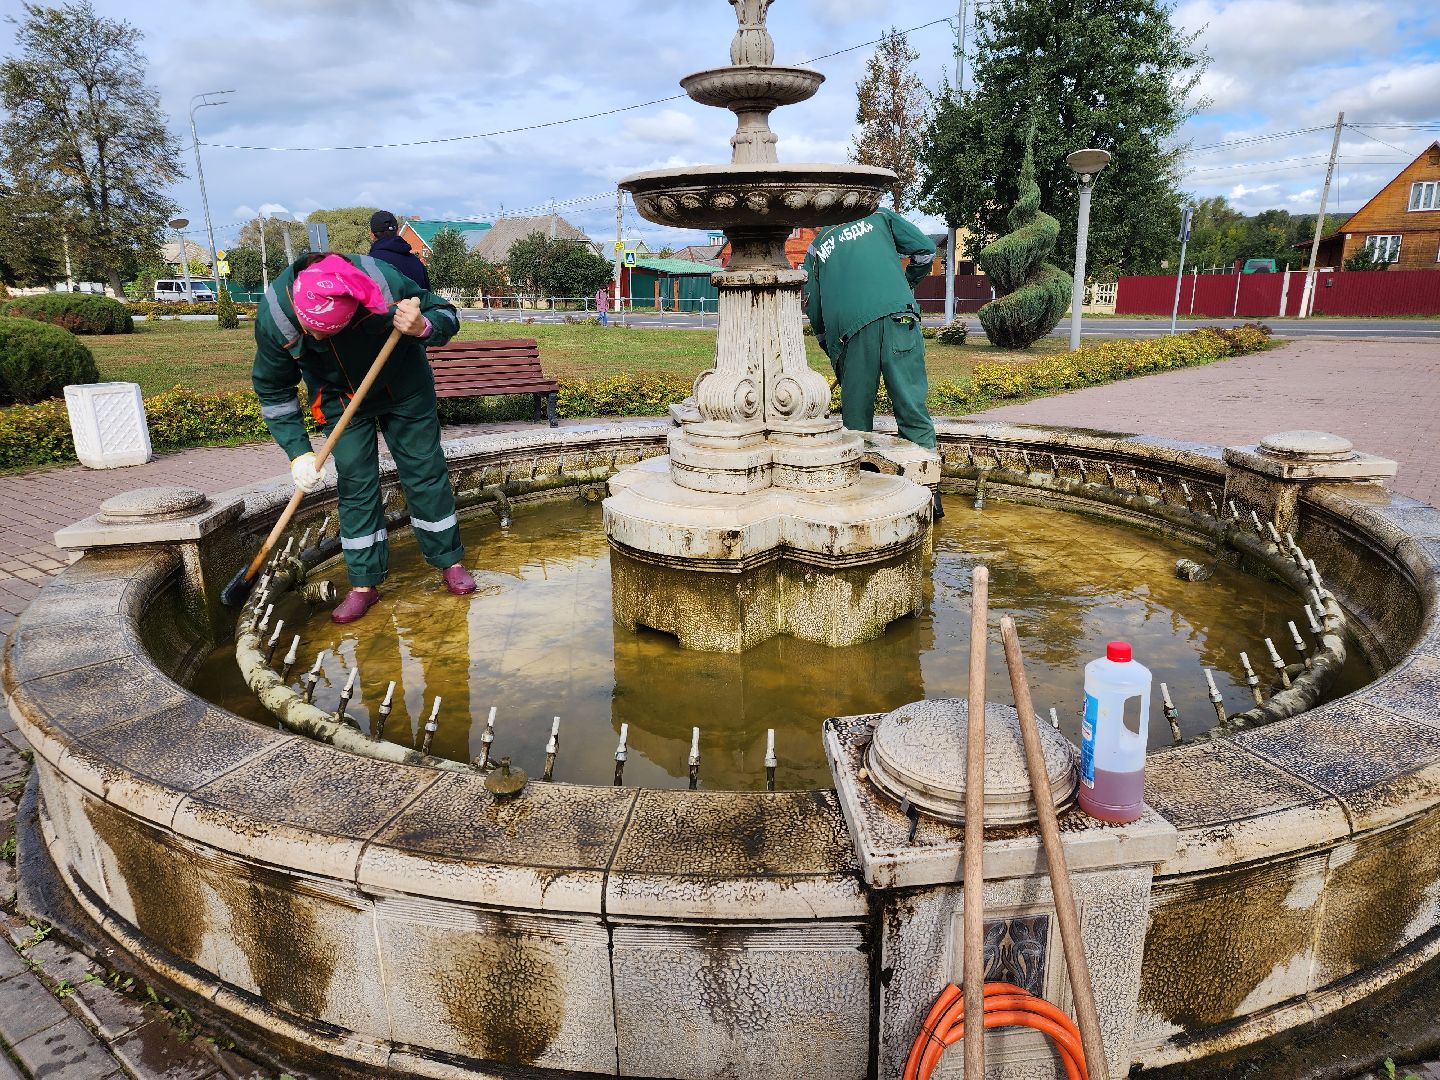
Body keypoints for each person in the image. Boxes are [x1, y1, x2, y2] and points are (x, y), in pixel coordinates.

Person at [252, 251, 475, 624]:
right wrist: (298, 453)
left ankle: (449, 561)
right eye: (313, 332)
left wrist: (424, 326)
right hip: (339, 398)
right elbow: (274, 392)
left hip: (404, 385)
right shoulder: (275, 316)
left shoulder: (382, 282)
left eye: (330, 332)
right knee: (355, 483)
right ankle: (363, 584)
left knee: (425, 471)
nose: (318, 338)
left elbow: (446, 313)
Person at [802, 207, 942, 516]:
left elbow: (812, 306)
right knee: (912, 408)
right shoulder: (879, 217)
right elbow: (925, 251)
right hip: (900, 318)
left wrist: (830, 346)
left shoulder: (816, 247)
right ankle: (930, 498)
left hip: (850, 333)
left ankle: (861, 505)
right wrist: (906, 285)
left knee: (856, 423)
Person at [367, 210, 430, 289]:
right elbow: (427, 295)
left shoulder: (367, 264)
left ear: (372, 235)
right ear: (398, 231)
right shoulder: (418, 264)